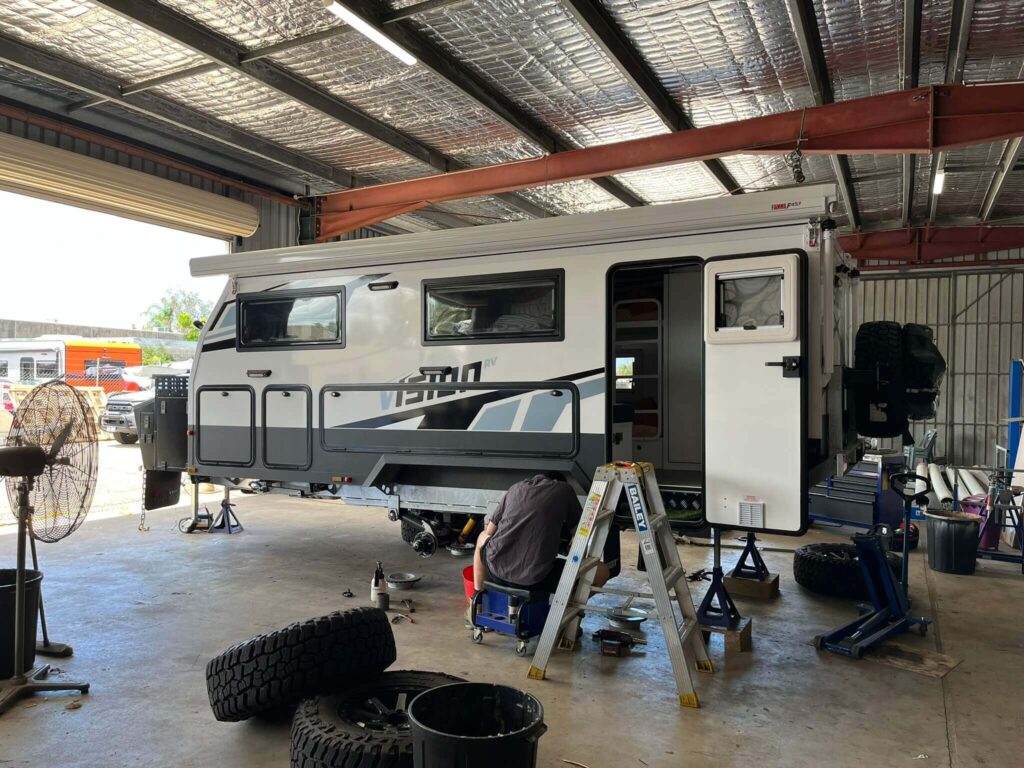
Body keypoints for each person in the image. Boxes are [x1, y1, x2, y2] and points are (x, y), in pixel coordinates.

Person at [473, 472, 610, 593]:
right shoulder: (564, 489)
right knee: (602, 571)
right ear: (558, 481)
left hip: (495, 570)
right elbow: (581, 535)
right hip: (535, 580)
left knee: (481, 538)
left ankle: (477, 597)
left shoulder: (516, 488)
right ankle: (567, 611)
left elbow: (490, 531)